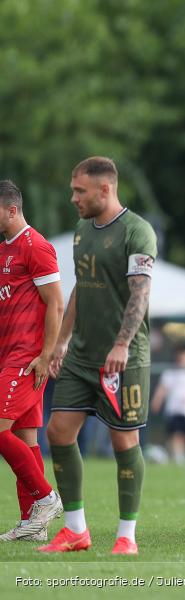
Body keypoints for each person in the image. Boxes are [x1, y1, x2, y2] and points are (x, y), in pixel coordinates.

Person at [42, 157, 157, 555]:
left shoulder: (137, 232)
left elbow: (140, 293)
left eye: (80, 191)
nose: (73, 198)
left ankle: (127, 536)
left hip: (123, 358)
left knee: (123, 443)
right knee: (58, 431)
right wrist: (60, 340)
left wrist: (122, 344)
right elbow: (81, 287)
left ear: (104, 189)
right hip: (81, 355)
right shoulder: (81, 231)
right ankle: (75, 530)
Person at [0, 180, 64, 542]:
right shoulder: (4, 250)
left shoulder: (36, 246)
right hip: (9, 356)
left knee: (1, 432)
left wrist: (46, 354)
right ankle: (32, 525)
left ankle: (46, 497)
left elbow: (55, 302)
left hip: (26, 358)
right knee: (26, 440)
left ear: (12, 209)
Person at [150, 344, 185, 466]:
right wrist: (156, 401)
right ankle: (180, 459)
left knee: (182, 436)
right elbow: (162, 389)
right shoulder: (170, 374)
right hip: (174, 411)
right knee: (177, 434)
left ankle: (170, 454)